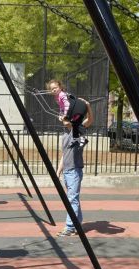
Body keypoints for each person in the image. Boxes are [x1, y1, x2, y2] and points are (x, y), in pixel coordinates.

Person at [56, 97, 94, 237]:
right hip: (67, 170)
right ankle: (77, 223)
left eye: (65, 117)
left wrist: (88, 106)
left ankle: (70, 227)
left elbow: (89, 121)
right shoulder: (66, 134)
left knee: (72, 199)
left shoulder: (77, 129)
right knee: (74, 199)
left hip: (74, 171)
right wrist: (58, 171)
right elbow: (64, 155)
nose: (63, 119)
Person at [47, 79, 88, 148]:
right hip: (72, 109)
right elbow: (61, 107)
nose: (54, 90)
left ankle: (82, 138)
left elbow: (67, 105)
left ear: (60, 87)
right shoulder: (57, 96)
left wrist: (65, 115)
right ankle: (78, 139)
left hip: (77, 108)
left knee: (73, 123)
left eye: (55, 88)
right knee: (73, 125)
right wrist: (61, 114)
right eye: (52, 89)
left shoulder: (62, 95)